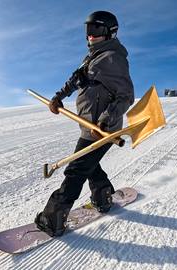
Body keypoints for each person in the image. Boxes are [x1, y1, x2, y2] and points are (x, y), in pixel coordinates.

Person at [34, 10, 135, 237]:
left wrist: (106, 120)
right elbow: (76, 78)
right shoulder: (93, 56)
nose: (91, 36)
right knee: (89, 165)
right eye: (88, 30)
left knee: (76, 170)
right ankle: (103, 195)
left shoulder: (113, 57)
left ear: (110, 32)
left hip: (103, 130)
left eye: (96, 30)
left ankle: (54, 217)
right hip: (88, 127)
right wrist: (59, 97)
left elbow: (126, 95)